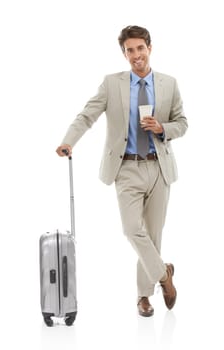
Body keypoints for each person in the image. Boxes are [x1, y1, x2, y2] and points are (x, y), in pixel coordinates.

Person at [56, 25, 188, 317]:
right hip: (126, 167)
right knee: (132, 230)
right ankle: (164, 275)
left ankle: (143, 296)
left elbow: (182, 122)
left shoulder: (169, 83)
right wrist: (68, 140)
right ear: (124, 53)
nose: (136, 55)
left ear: (150, 48)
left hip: (159, 166)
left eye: (140, 48)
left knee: (152, 236)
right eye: (130, 50)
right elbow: (87, 114)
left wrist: (162, 128)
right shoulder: (112, 83)